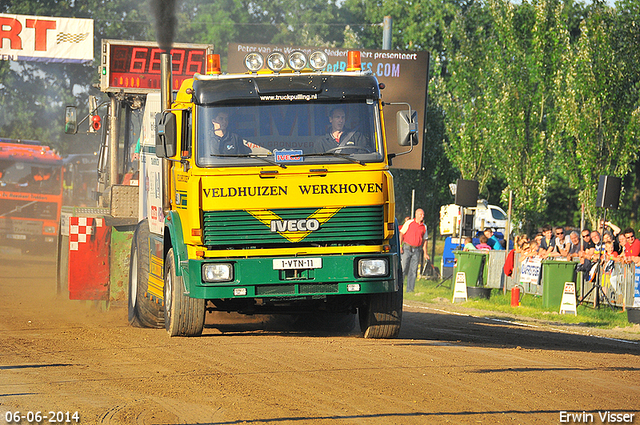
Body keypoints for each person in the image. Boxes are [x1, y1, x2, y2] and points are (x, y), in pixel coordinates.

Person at [399, 208, 429, 293]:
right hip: (407, 248)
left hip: (416, 250)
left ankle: (410, 289)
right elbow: (401, 233)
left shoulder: (424, 226)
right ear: (416, 215)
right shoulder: (409, 223)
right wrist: (400, 246)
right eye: (420, 214)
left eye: (423, 215)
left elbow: (425, 240)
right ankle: (399, 288)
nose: (422, 216)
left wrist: (425, 253)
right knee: (403, 268)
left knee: (413, 270)